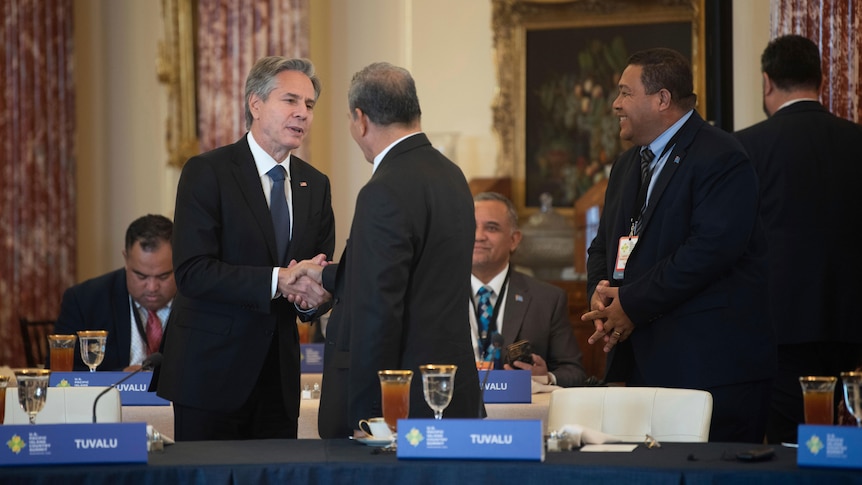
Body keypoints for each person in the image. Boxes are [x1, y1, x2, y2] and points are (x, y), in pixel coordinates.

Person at [581, 48, 776, 443]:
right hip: (642, 369)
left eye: (624, 92)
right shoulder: (625, 165)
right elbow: (603, 245)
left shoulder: (722, 156)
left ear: (662, 99)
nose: (615, 104)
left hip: (708, 370)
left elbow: (709, 251)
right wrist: (601, 297)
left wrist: (631, 303)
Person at [288, 62, 483, 438]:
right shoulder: (451, 175)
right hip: (445, 394)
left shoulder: (384, 189)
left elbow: (378, 309)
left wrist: (370, 417)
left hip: (399, 408)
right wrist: (328, 274)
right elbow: (414, 274)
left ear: (360, 120)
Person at [155, 56, 335, 441]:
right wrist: (279, 279)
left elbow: (317, 271)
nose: (302, 113)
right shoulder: (208, 172)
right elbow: (193, 272)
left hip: (279, 381)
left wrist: (311, 297)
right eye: (290, 101)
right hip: (210, 375)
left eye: (309, 105)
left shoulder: (315, 185)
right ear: (256, 104)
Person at [734, 35, 862, 444]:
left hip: (780, 325)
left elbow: (731, 239)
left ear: (767, 82)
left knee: (791, 444)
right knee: (852, 442)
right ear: (821, 81)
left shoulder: (745, 147)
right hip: (855, 322)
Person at [471, 191, 587, 387]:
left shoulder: (547, 299)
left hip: (519, 411)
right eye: (471, 226)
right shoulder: (436, 297)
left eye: (491, 228)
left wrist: (546, 377)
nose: (479, 236)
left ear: (514, 240)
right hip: (456, 412)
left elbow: (574, 372)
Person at [54, 214, 175, 371]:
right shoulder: (84, 301)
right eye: (141, 276)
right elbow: (59, 374)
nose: (152, 287)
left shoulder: (203, 301)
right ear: (126, 259)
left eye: (163, 276)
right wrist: (117, 379)